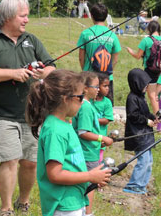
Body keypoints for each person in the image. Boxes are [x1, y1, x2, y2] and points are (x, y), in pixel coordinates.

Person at [0, 0, 55, 215]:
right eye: (23, 15)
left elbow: (52, 68)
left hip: (31, 113)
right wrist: (13, 73)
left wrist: (42, 72)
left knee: (29, 162)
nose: (26, 20)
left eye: (27, 15)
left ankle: (23, 202)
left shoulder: (32, 40)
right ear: (8, 16)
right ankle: (6, 208)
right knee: (9, 159)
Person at [25, 69, 111, 216]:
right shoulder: (55, 130)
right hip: (64, 205)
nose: (83, 101)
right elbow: (55, 175)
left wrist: (92, 176)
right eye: (80, 97)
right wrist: (89, 177)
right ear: (66, 99)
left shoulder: (64, 125)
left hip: (74, 200)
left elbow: (70, 164)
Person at [72, 71, 113, 216]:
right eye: (95, 86)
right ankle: (87, 213)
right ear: (84, 88)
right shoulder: (86, 107)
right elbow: (83, 132)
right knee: (90, 185)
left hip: (90, 151)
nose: (98, 89)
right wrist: (103, 138)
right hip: (88, 154)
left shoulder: (84, 105)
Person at [77, 3, 121, 105]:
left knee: (87, 106)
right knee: (105, 107)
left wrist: (85, 70)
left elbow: (81, 57)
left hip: (89, 77)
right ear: (106, 17)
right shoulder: (112, 35)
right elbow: (115, 59)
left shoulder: (85, 34)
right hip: (106, 78)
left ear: (91, 15)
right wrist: (107, 71)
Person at [123, 68, 157, 195]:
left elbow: (145, 113)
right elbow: (133, 115)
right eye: (144, 85)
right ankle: (133, 184)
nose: (146, 87)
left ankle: (142, 184)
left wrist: (153, 117)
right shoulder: (132, 98)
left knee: (149, 161)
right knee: (143, 160)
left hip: (145, 134)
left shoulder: (141, 97)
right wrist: (146, 121)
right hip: (138, 135)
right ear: (137, 84)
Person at [126, 20, 161, 115]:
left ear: (150, 29)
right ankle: (160, 114)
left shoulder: (146, 40)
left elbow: (138, 56)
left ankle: (157, 118)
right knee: (157, 94)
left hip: (150, 70)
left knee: (152, 95)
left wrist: (130, 52)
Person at [92, 73, 114, 163]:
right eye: (104, 86)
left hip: (101, 138)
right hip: (89, 138)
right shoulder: (89, 101)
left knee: (98, 160)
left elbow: (106, 120)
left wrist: (92, 121)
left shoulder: (107, 102)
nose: (107, 88)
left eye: (108, 86)